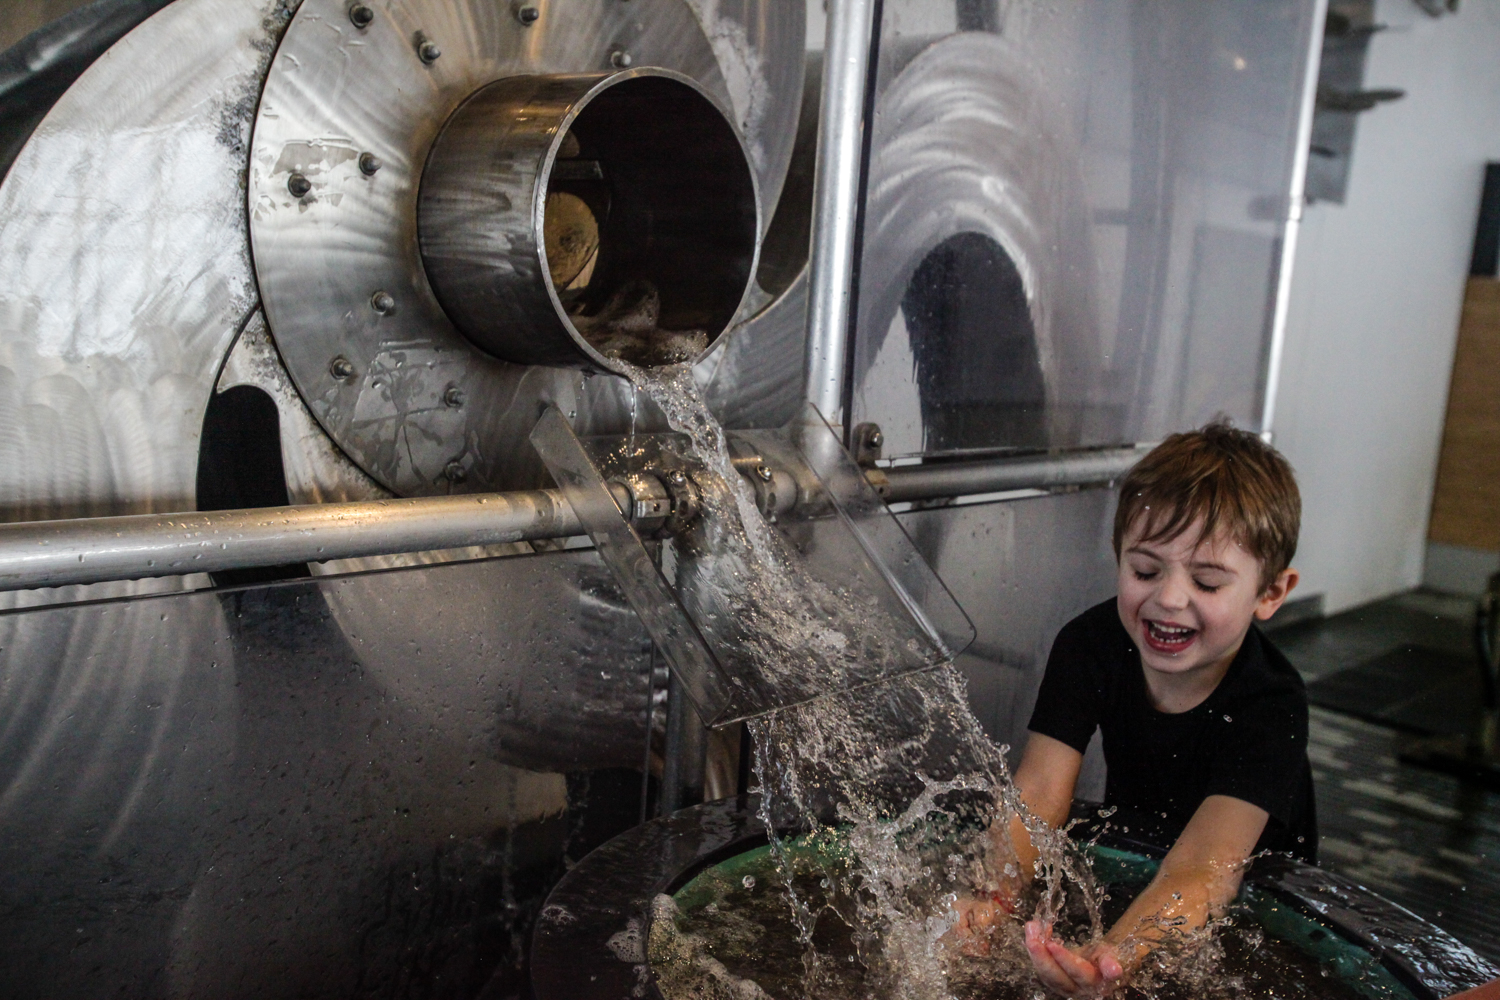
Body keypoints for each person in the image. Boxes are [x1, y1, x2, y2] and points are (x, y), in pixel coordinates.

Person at [952, 420, 1314, 995]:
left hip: (1254, 895)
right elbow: (1040, 793)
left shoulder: (1271, 703)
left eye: (1209, 582)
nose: (1169, 598)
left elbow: (1205, 869)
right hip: (1145, 854)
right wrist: (992, 898)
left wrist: (1118, 957)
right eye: (1145, 570)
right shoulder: (1091, 644)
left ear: (1270, 593)